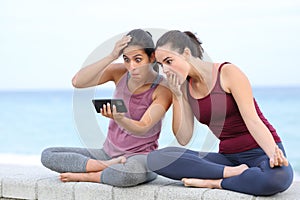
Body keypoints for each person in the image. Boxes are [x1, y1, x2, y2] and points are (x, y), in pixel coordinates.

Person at [147, 30, 293, 196]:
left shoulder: (227, 73)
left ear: (186, 53)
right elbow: (183, 138)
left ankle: (214, 182)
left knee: (278, 178)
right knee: (156, 159)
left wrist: (273, 153)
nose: (165, 70)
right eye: (161, 65)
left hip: (260, 151)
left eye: (169, 61)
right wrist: (178, 96)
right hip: (228, 159)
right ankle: (233, 174)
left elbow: (253, 121)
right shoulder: (183, 87)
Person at [41, 29, 172, 187]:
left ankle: (90, 176)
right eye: (126, 59)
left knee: (126, 174)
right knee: (48, 155)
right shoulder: (119, 72)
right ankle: (105, 167)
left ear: (152, 57)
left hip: (141, 158)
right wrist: (111, 56)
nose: (132, 67)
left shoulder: (162, 88)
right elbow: (78, 81)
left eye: (138, 60)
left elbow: (143, 127)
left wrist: (120, 118)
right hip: (107, 154)